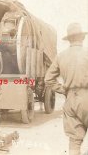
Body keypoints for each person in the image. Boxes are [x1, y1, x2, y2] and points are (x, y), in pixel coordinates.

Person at [45, 23, 88, 155]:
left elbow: (48, 79)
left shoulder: (61, 56)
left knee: (74, 141)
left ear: (69, 40)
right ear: (82, 38)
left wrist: (64, 90)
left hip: (70, 100)